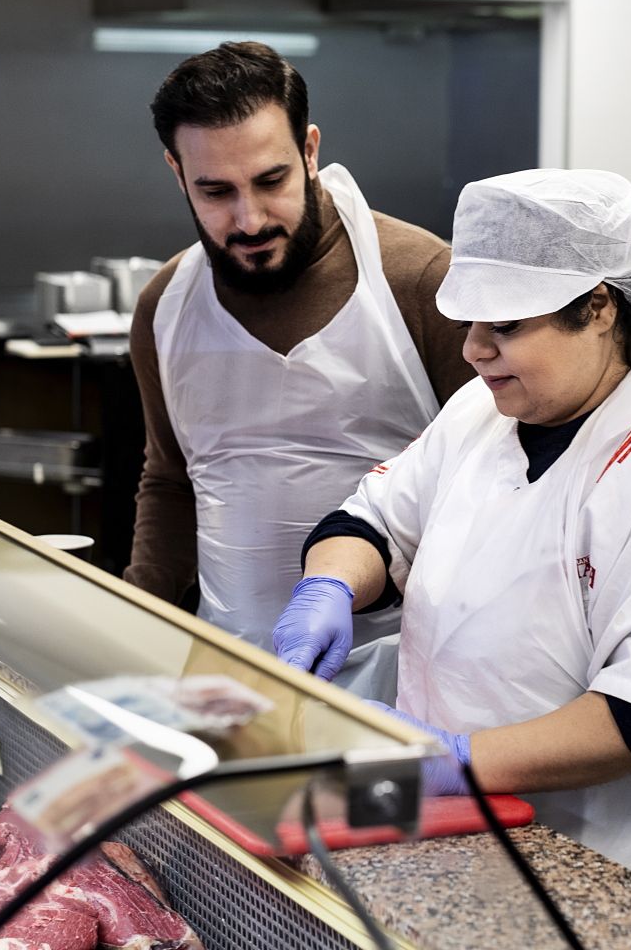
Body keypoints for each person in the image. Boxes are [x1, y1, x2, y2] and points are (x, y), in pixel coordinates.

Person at [271, 169, 631, 930]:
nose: (476, 349)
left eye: (506, 326)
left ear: (596, 308)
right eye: (469, 323)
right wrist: (327, 589)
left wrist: (453, 758)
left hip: (616, 860)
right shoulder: (480, 414)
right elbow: (373, 524)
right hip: (454, 833)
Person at [125, 42, 472, 703]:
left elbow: (497, 490)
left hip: (405, 679)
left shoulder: (420, 281)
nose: (248, 219)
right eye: (215, 191)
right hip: (229, 679)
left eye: (270, 181)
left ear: (310, 150)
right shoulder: (166, 306)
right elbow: (169, 481)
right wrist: (130, 621)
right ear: (177, 172)